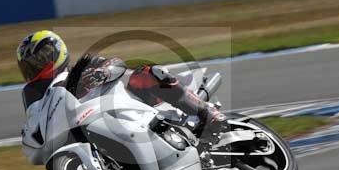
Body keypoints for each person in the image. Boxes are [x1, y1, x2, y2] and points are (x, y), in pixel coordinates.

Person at [16, 30, 225, 133]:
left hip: (133, 105)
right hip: (91, 124)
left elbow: (116, 63)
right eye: (30, 64)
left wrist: (102, 72)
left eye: (40, 59)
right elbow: (36, 116)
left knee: (145, 74)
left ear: (57, 52)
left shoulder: (80, 68)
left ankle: (206, 113)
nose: (35, 66)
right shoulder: (32, 91)